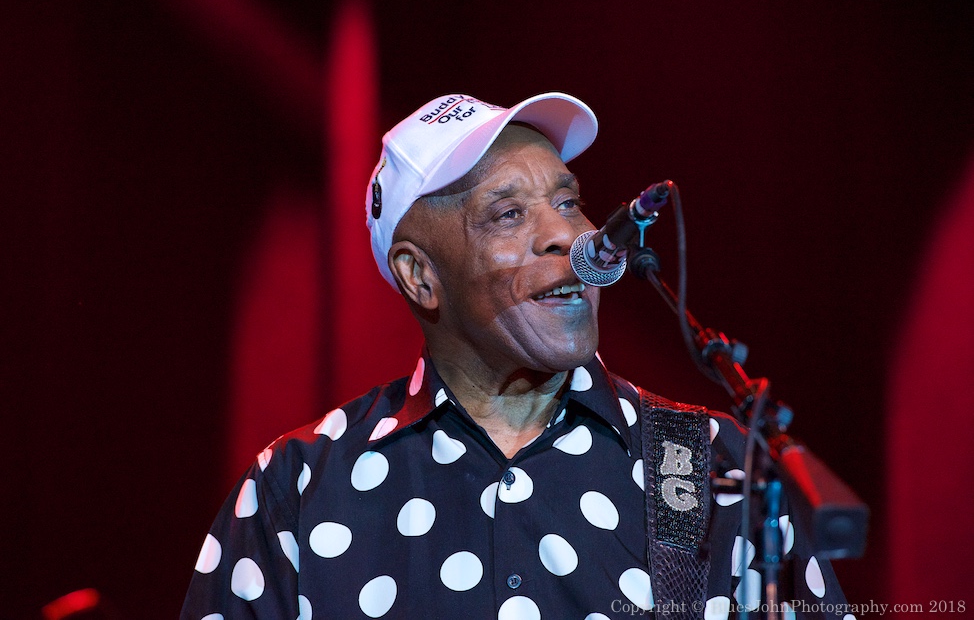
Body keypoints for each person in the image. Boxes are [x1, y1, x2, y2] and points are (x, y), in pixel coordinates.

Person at [181, 93, 849, 619]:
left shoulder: (715, 463)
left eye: (568, 201)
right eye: (508, 214)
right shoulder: (296, 490)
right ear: (421, 277)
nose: (567, 233)